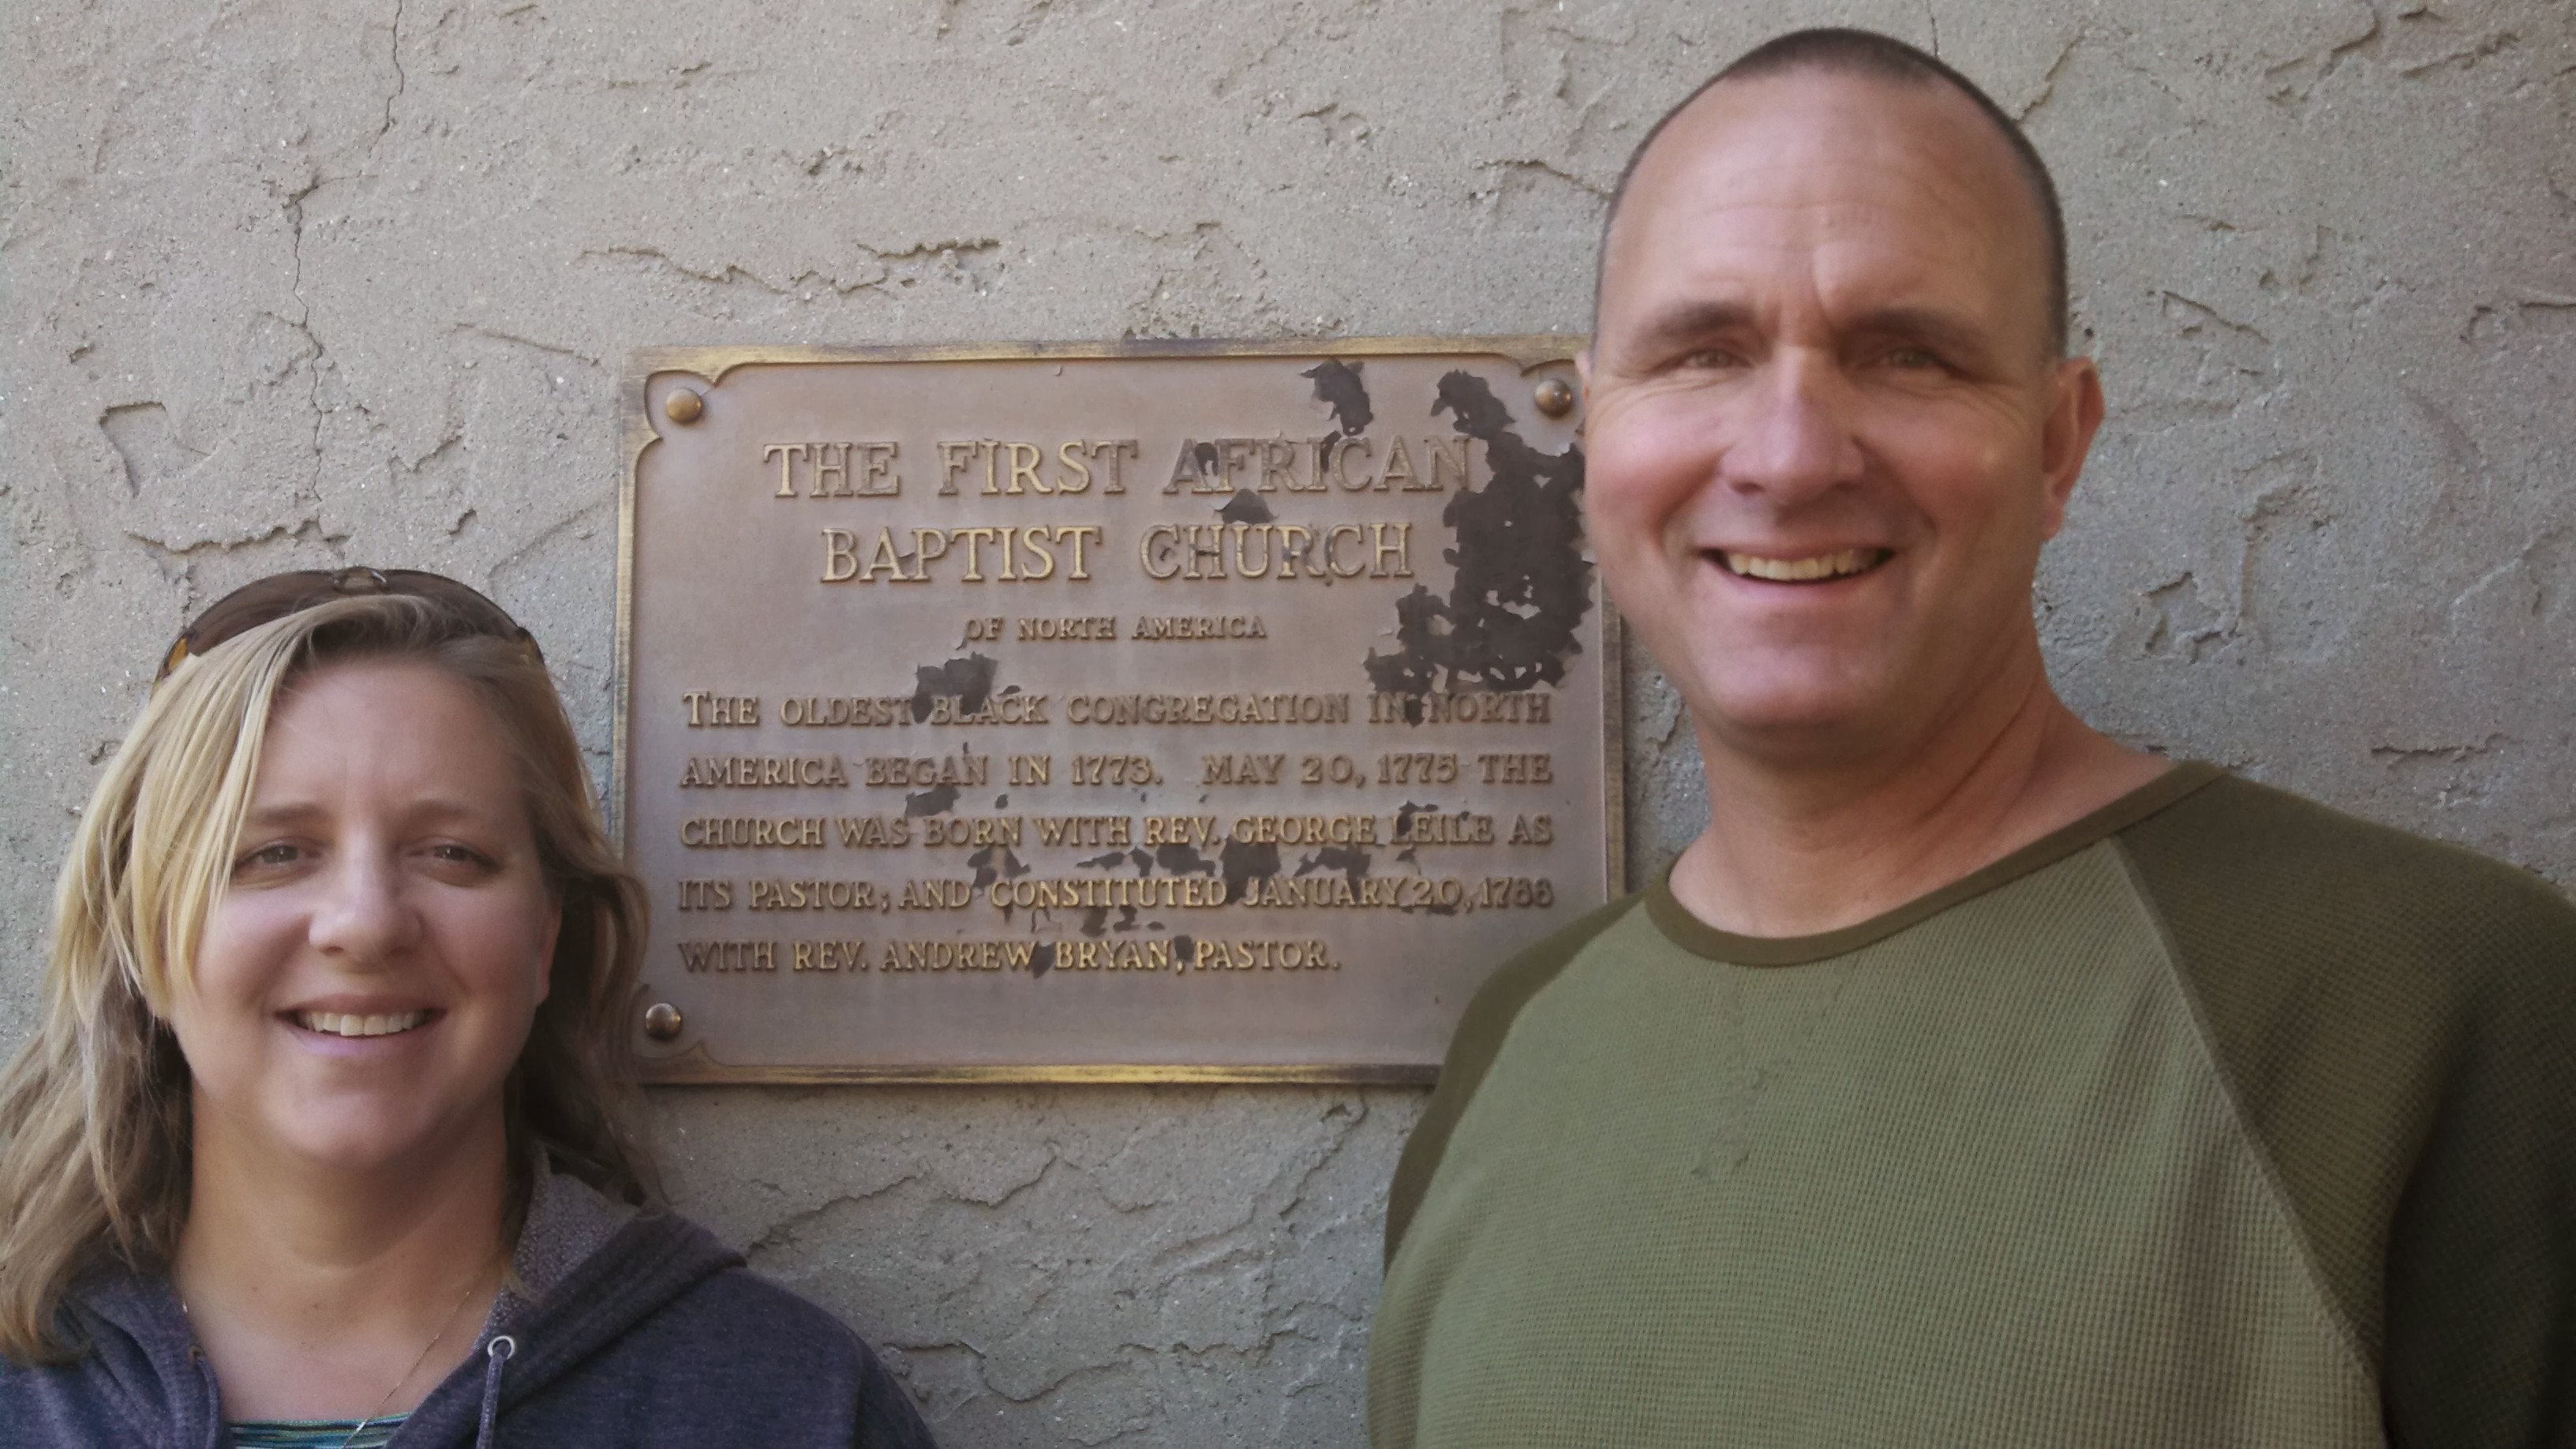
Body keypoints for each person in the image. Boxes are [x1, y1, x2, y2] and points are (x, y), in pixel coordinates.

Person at [1368, 28, 2574, 1448]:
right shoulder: (1515, 1044)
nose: (1788, 456)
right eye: (1700, 353)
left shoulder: (2441, 1009)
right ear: (1596, 432)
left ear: (2057, 444)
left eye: (1907, 356)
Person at [0, 568, 936, 1447]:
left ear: (544, 939)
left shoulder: (793, 1405)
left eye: (452, 853)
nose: (366, 923)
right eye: (273, 854)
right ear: (147, 939)